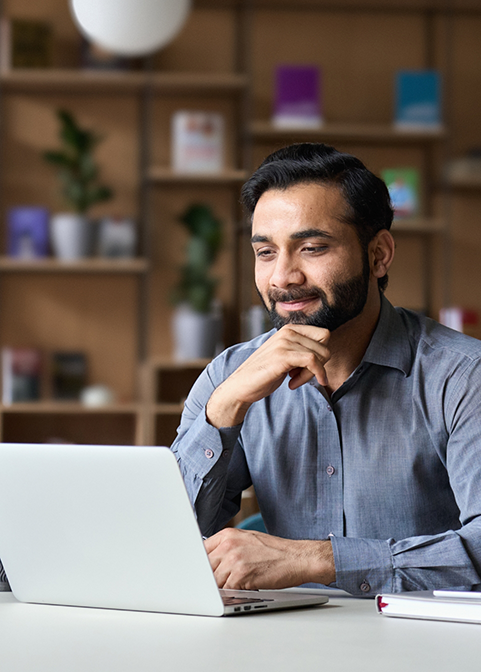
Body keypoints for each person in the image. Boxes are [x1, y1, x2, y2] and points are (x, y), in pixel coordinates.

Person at [171, 142, 481, 597]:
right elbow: (166, 542)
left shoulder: (463, 377)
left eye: (312, 248)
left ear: (378, 255)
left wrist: (315, 560)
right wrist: (223, 411)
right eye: (265, 253)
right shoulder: (230, 377)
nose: (282, 277)